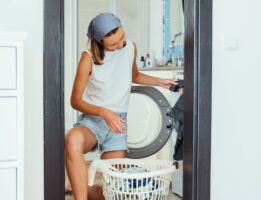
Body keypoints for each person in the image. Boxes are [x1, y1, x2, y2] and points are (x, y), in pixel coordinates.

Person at [64, 12, 177, 200]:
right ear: (100, 42)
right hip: (93, 122)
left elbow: (134, 75)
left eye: (122, 37)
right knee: (73, 139)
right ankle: (79, 195)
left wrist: (159, 81)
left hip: (118, 126)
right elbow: (75, 101)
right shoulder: (88, 58)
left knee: (111, 191)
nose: (120, 44)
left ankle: (83, 189)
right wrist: (103, 111)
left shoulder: (130, 46)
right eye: (113, 44)